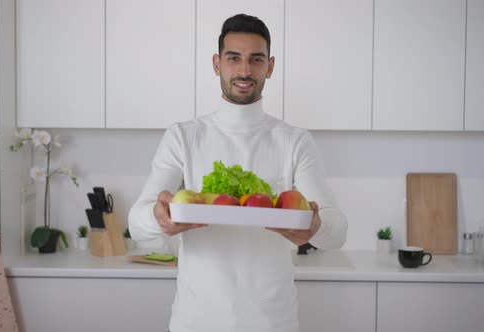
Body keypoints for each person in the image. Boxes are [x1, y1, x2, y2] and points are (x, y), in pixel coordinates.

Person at [128, 13, 347, 332]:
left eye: (256, 60)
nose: (244, 71)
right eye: (234, 58)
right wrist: (160, 217)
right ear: (217, 64)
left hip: (273, 323)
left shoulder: (294, 141)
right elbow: (136, 224)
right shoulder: (183, 136)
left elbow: (338, 232)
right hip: (195, 322)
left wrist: (314, 227)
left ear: (269, 66)